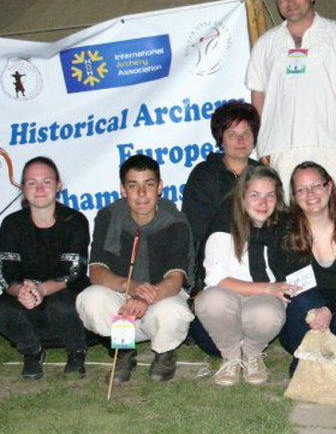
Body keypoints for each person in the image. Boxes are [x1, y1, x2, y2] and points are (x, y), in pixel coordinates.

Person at [246, 0, 336, 211]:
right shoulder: (265, 45)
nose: (290, 1)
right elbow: (257, 102)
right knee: (287, 227)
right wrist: (260, 150)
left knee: (335, 223)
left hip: (331, 147)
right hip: (280, 152)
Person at [76, 154, 194, 383]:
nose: (141, 194)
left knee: (172, 312)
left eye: (148, 185)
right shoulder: (108, 216)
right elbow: (96, 270)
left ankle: (164, 352)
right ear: (123, 190)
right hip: (123, 294)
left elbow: (175, 278)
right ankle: (123, 350)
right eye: (133, 186)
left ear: (159, 187)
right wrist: (129, 286)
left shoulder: (175, 221)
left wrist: (144, 297)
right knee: (91, 298)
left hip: (161, 294)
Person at [195, 165, 296, 386]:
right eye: (255, 195)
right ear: (242, 197)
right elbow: (217, 279)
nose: (263, 203)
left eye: (270, 196)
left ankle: (252, 353)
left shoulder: (285, 226)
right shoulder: (223, 226)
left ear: (278, 198)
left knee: (268, 313)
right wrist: (268, 288)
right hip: (228, 295)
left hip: (263, 300)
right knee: (211, 301)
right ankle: (231, 355)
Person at [277, 161, 336, 375]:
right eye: (301, 189)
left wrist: (329, 309)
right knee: (304, 300)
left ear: (329, 187)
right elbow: (299, 281)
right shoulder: (286, 231)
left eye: (316, 186)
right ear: (294, 196)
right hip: (302, 317)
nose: (310, 194)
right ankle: (306, 361)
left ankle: (323, 358)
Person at [0, 157, 90, 379]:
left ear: (58, 185)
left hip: (64, 292)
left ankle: (76, 351)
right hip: (26, 294)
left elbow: (73, 272)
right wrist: (20, 291)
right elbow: (6, 272)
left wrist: (41, 290)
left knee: (61, 305)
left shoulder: (75, 220)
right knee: (3, 308)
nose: (39, 189)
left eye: (46, 182)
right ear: (23, 188)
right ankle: (32, 352)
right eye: (32, 182)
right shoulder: (11, 224)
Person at [182, 101, 260, 356]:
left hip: (255, 268)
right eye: (232, 134)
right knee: (213, 344)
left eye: (246, 132)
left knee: (264, 323)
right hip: (216, 271)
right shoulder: (204, 174)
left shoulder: (264, 174)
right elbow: (194, 232)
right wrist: (197, 286)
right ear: (220, 139)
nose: (240, 140)